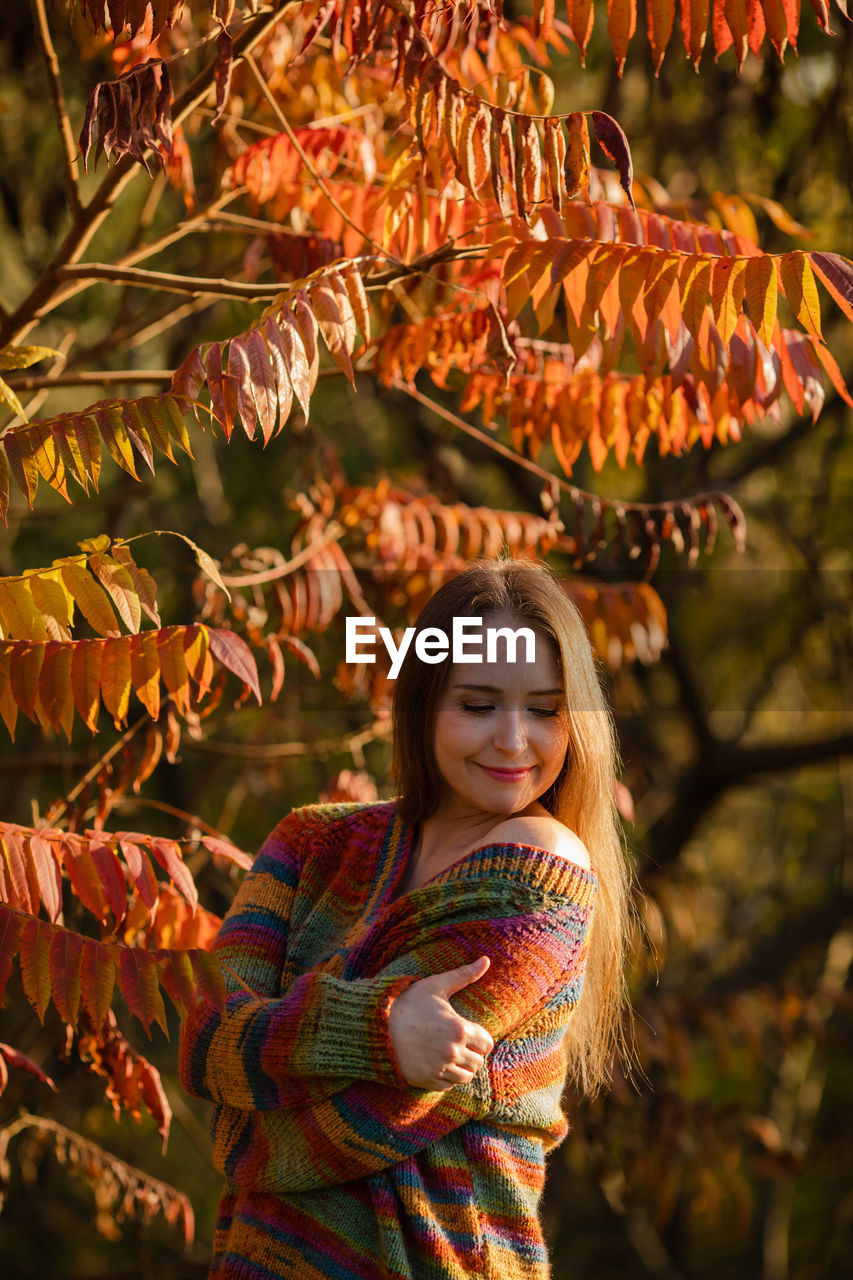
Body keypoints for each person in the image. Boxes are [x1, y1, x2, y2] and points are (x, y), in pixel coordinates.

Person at [179, 558, 632, 1279]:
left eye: (545, 709)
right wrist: (375, 1029)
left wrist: (249, 1123)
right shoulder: (309, 843)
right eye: (478, 705)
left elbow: (358, 1123)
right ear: (422, 703)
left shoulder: (539, 868)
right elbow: (203, 1038)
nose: (514, 740)